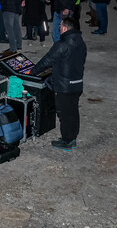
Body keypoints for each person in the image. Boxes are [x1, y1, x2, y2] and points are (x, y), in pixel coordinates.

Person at [29, 17, 86, 150]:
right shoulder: (80, 42)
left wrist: (32, 72)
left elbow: (47, 60)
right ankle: (72, 137)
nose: (59, 28)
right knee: (73, 112)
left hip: (64, 86)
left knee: (64, 114)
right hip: (77, 83)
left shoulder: (62, 44)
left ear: (65, 28)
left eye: (60, 26)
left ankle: (67, 141)